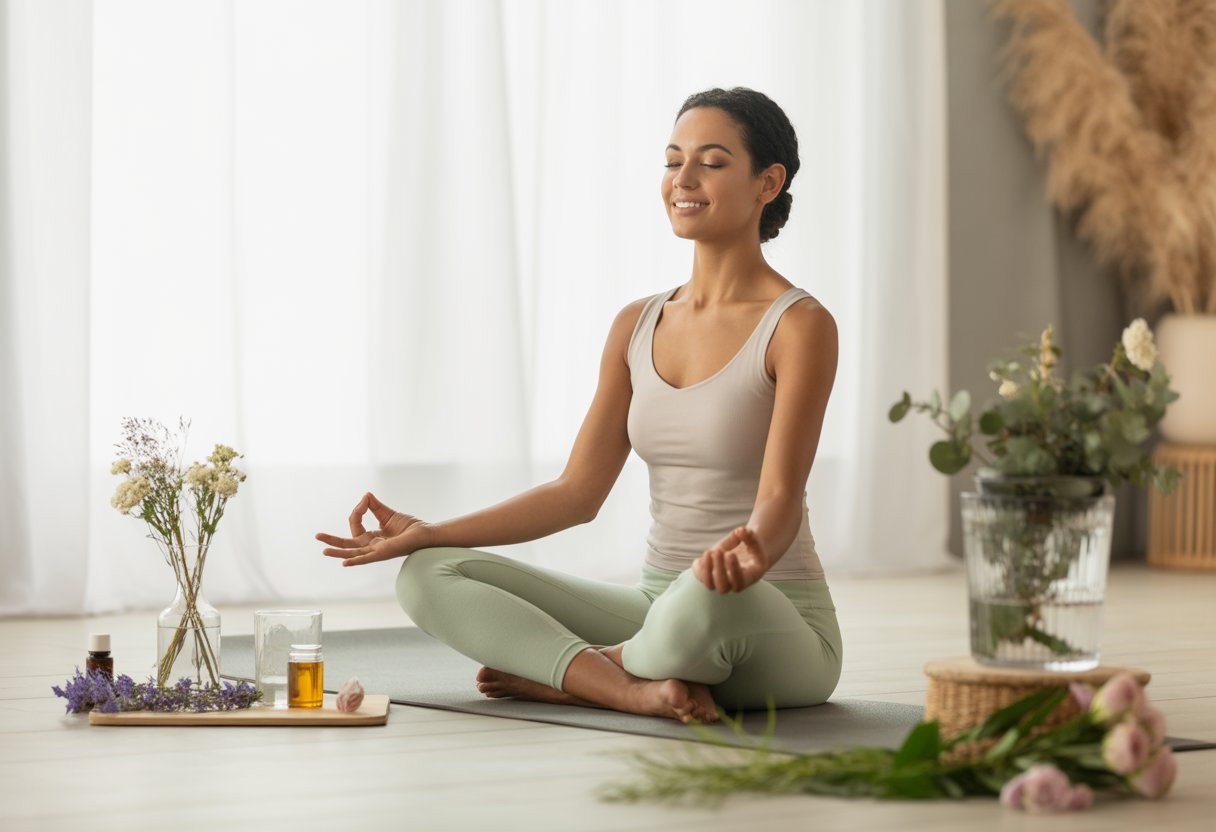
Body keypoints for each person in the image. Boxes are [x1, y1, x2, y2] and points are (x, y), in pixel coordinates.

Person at [317, 87, 842, 724]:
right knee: (428, 573)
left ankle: (572, 673)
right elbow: (576, 493)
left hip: (764, 609)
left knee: (700, 600)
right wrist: (430, 532)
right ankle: (626, 684)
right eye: (673, 160)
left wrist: (754, 549)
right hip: (658, 604)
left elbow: (781, 497)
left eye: (711, 161)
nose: (684, 179)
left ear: (768, 182)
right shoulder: (637, 323)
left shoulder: (799, 324)